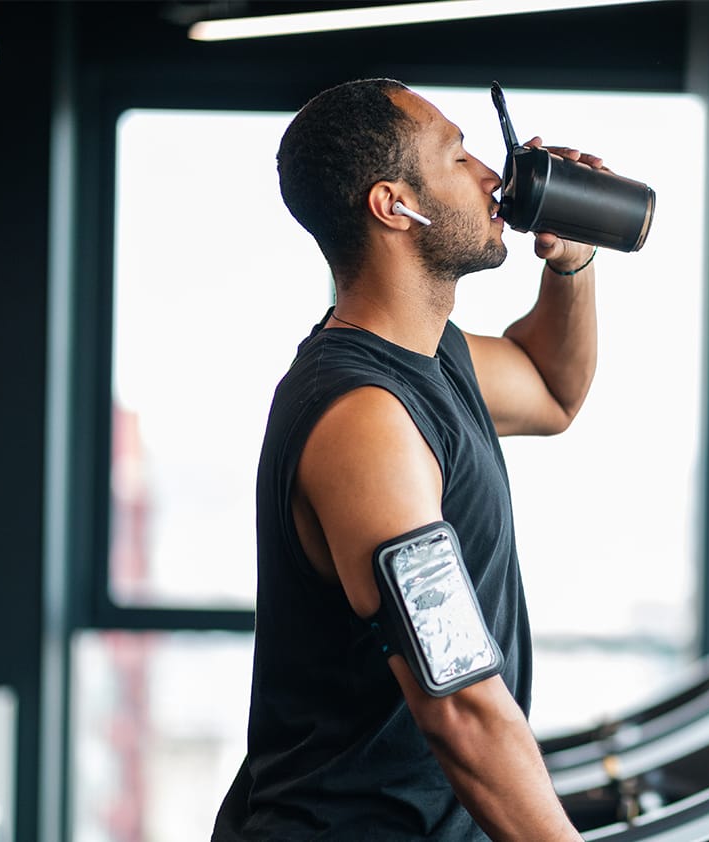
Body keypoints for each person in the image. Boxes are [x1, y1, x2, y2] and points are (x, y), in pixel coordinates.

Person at [212, 78, 603, 840]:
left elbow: (553, 389)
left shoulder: (435, 359)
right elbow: (459, 705)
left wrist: (572, 260)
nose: (491, 176)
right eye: (458, 156)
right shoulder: (365, 421)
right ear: (394, 206)